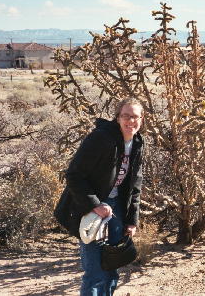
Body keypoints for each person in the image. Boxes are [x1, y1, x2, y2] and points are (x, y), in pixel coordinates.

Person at [55, 97, 144, 296]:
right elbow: (73, 175)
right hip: (92, 207)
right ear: (118, 117)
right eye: (126, 116)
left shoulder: (137, 142)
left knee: (111, 267)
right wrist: (95, 205)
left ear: (142, 119)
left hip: (117, 208)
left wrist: (132, 220)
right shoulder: (102, 138)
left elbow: (134, 184)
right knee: (95, 271)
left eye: (135, 117)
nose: (131, 121)